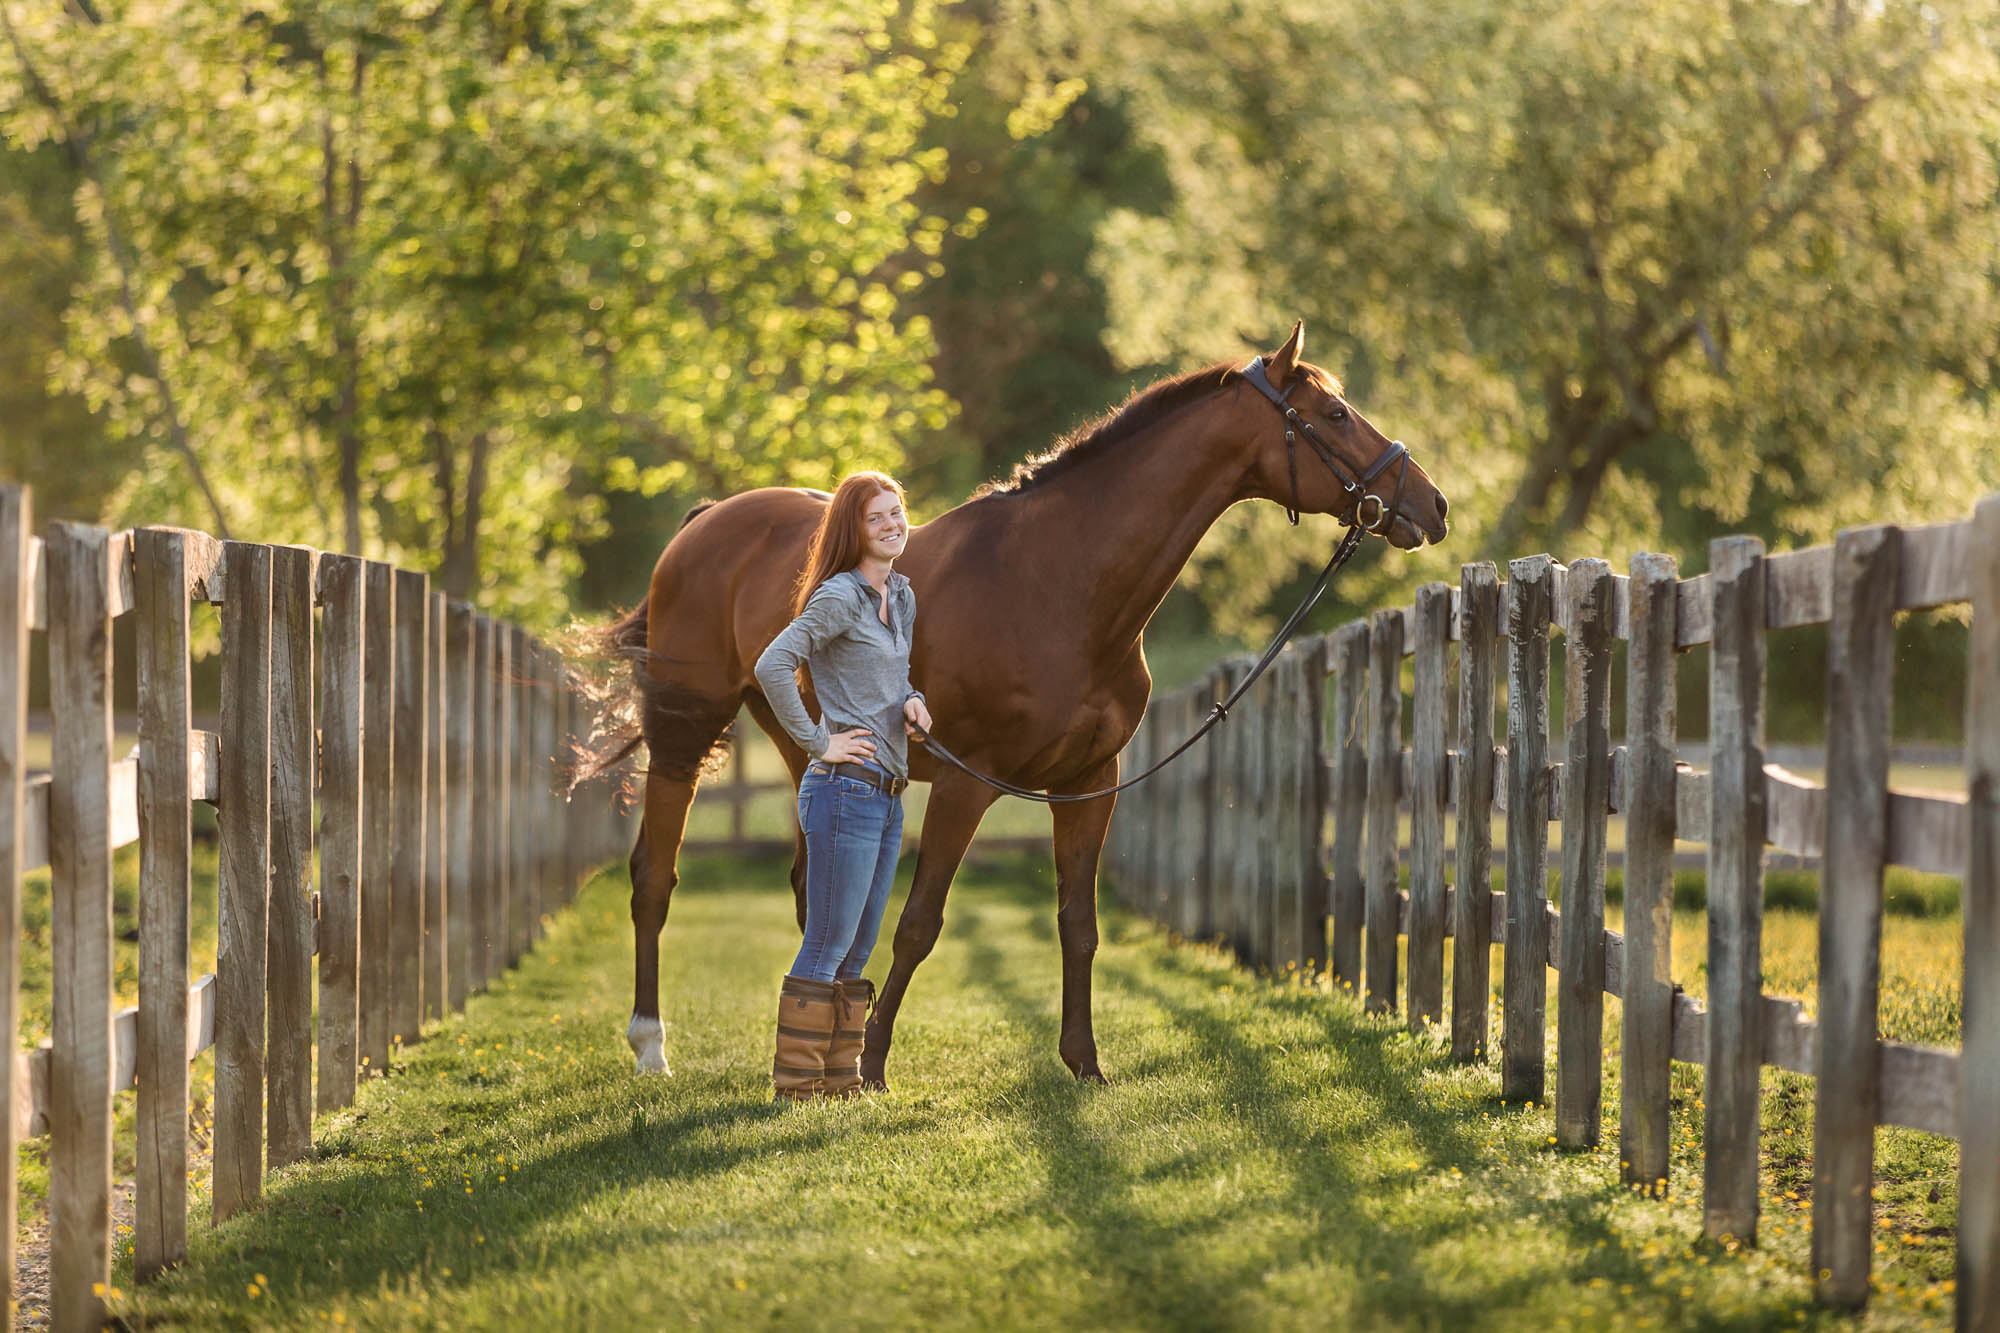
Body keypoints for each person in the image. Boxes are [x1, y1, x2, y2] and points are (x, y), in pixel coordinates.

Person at [752, 471, 932, 1100]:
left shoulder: (899, 595)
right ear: (853, 530)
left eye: (897, 512)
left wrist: (911, 701)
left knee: (856, 949)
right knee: (826, 943)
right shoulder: (839, 598)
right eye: (876, 517)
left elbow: (883, 676)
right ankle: (796, 1087)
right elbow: (771, 664)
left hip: (886, 796)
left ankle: (838, 1082)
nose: (892, 525)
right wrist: (818, 742)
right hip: (842, 790)